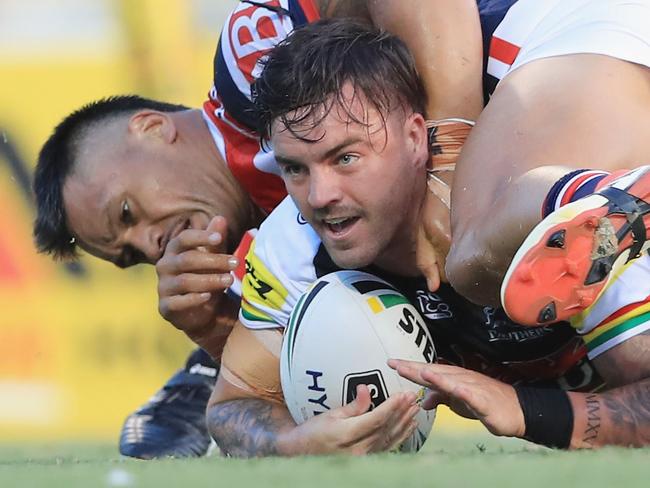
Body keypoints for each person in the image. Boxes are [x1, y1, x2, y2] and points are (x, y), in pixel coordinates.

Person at [32, 0, 485, 458]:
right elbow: (273, 389)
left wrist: (446, 166)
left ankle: (195, 380)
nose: (150, 245)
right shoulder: (275, 253)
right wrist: (211, 328)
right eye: (130, 257)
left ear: (151, 129)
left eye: (127, 212)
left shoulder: (247, 57)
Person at [206, 19, 650, 457]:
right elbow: (232, 405)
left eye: (345, 158)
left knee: (473, 259)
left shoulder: (588, 234)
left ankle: (576, 190)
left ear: (417, 137)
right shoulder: (294, 244)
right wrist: (294, 443)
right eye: (294, 169)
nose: (320, 196)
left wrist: (523, 411)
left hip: (597, 54)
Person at [441, 0, 650, 331]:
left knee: (469, 261)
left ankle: (601, 196)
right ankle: (603, 196)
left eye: (345, 158)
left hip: (600, 40)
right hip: (601, 53)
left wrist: (444, 143)